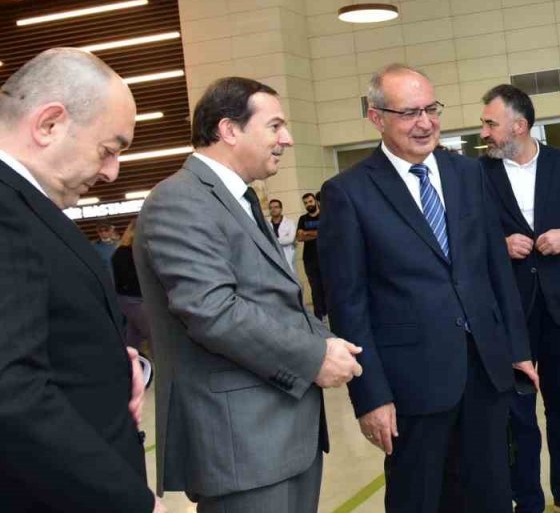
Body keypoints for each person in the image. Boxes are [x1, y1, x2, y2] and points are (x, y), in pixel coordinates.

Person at [136, 77, 362, 512]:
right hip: (241, 444)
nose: (287, 139)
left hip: (280, 434)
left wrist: (327, 340)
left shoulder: (239, 198)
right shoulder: (180, 200)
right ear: (229, 129)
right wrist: (313, 356)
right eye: (274, 126)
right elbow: (213, 311)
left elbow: (273, 297)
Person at [321, 64, 537, 513]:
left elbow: (495, 270)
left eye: (431, 109)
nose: (425, 123)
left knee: (492, 496)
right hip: (411, 387)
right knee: (420, 499)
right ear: (376, 118)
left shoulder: (469, 174)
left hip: (485, 372)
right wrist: (371, 396)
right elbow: (349, 305)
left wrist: (517, 349)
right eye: (409, 113)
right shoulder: (349, 193)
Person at [0, 48, 162, 512]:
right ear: (49, 124)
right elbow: (12, 393)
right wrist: (134, 504)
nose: (111, 172)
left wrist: (115, 363)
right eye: (108, 150)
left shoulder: (26, 206)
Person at [477, 84, 560, 513]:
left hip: (557, 308)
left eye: (491, 123)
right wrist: (499, 244)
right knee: (517, 411)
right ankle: (528, 500)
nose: (484, 132)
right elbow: (463, 235)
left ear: (519, 126)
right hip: (507, 312)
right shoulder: (478, 174)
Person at [112, 220, 151, 352]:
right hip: (132, 298)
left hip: (134, 297)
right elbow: (128, 278)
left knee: (134, 335)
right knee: (152, 333)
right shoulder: (123, 253)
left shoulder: (135, 252)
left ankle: (128, 358)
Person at [297, 192, 325, 319]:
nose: (308, 204)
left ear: (316, 201)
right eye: (306, 203)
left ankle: (329, 312)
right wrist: (317, 233)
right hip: (309, 259)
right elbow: (299, 237)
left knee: (328, 287)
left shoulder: (325, 216)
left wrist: (307, 233)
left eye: (310, 201)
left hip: (325, 257)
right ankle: (319, 317)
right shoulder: (303, 219)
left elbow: (326, 233)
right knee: (315, 288)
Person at [269, 198, 298, 273]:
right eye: (271, 208)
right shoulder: (267, 225)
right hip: (273, 256)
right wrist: (283, 239)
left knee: (291, 275)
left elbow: (290, 239)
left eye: (276, 207)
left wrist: (272, 240)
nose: (273, 209)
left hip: (288, 255)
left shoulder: (290, 223)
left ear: (281, 209)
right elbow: (264, 240)